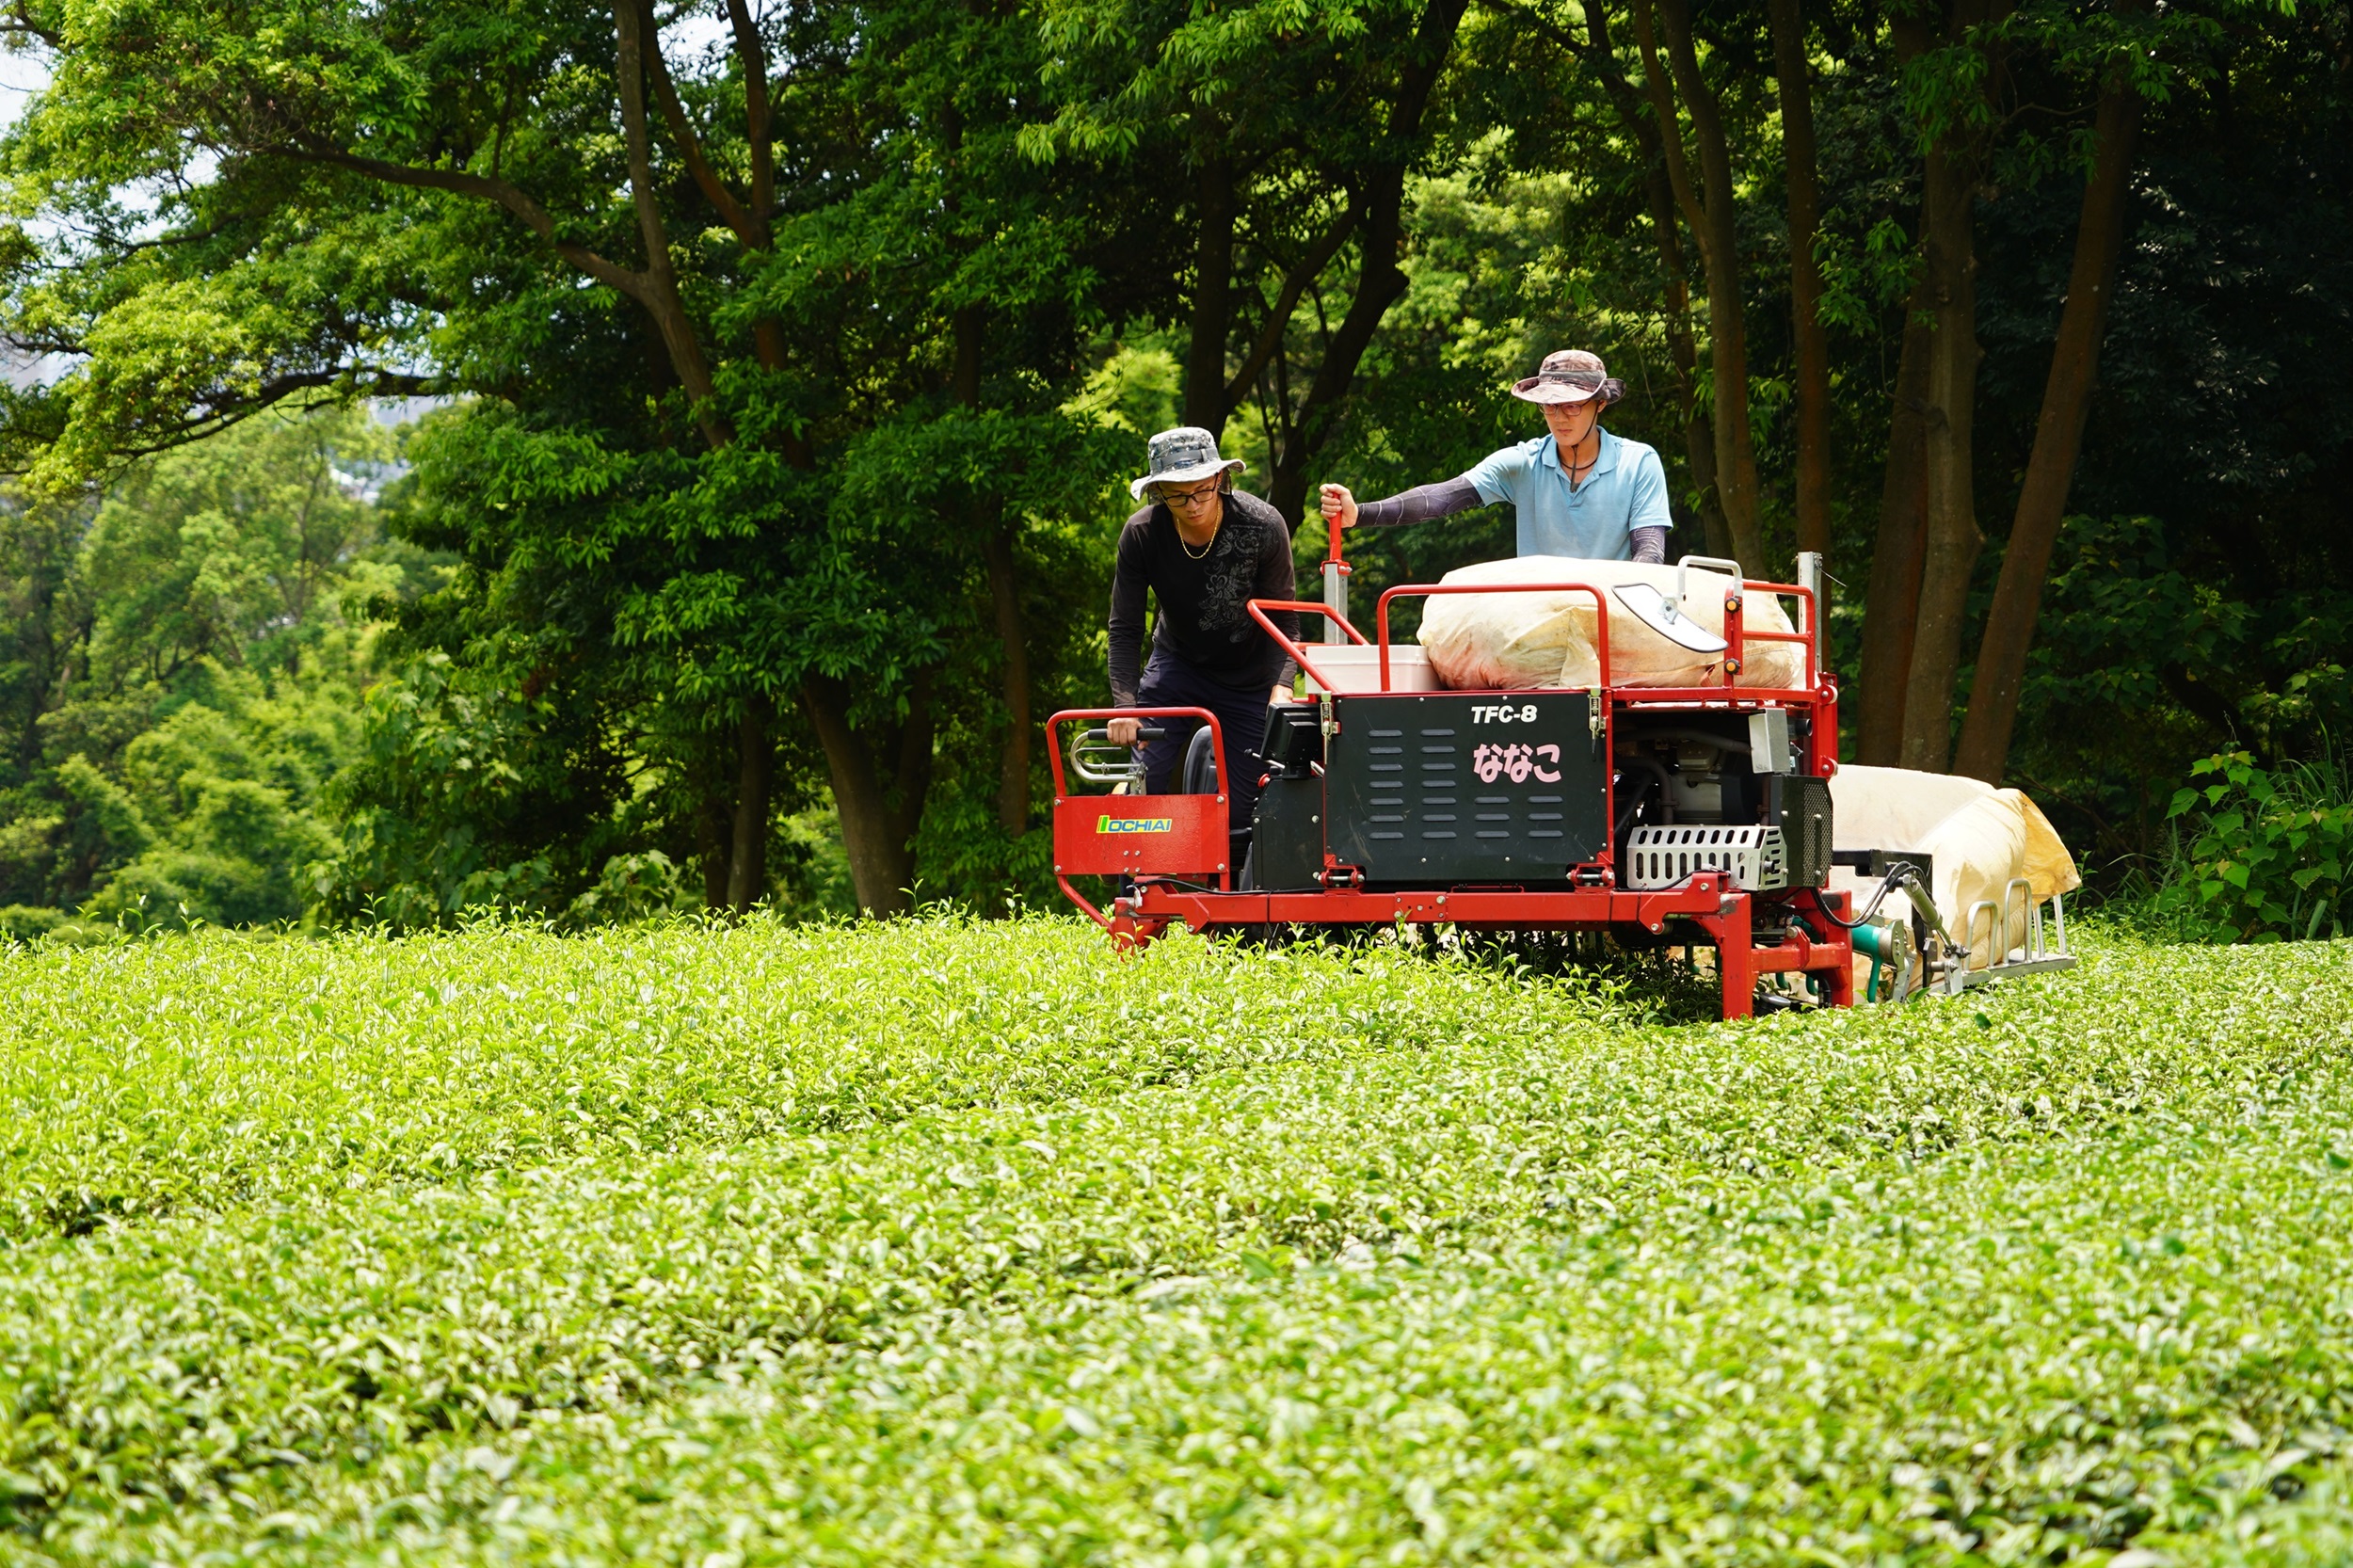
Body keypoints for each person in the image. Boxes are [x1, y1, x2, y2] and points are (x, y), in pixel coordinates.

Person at [1105, 427, 1299, 840]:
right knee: (1142, 789)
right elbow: (1124, 628)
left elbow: (1287, 622)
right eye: (1177, 495)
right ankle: (1131, 897)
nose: (1192, 505)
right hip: (1177, 664)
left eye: (1202, 491)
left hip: (1249, 674)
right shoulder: (1141, 534)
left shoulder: (1262, 525)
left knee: (1246, 815)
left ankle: (1231, 898)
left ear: (1220, 481)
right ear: (1159, 493)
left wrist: (1282, 686)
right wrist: (1124, 706)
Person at [1318, 350, 1673, 564]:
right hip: (1538, 615)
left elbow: (1650, 552)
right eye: (1549, 405)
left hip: (1613, 610)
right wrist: (1360, 514)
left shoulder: (1638, 462)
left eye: (1572, 405)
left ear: (1601, 404)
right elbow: (1442, 497)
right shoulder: (1522, 462)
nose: (1560, 417)